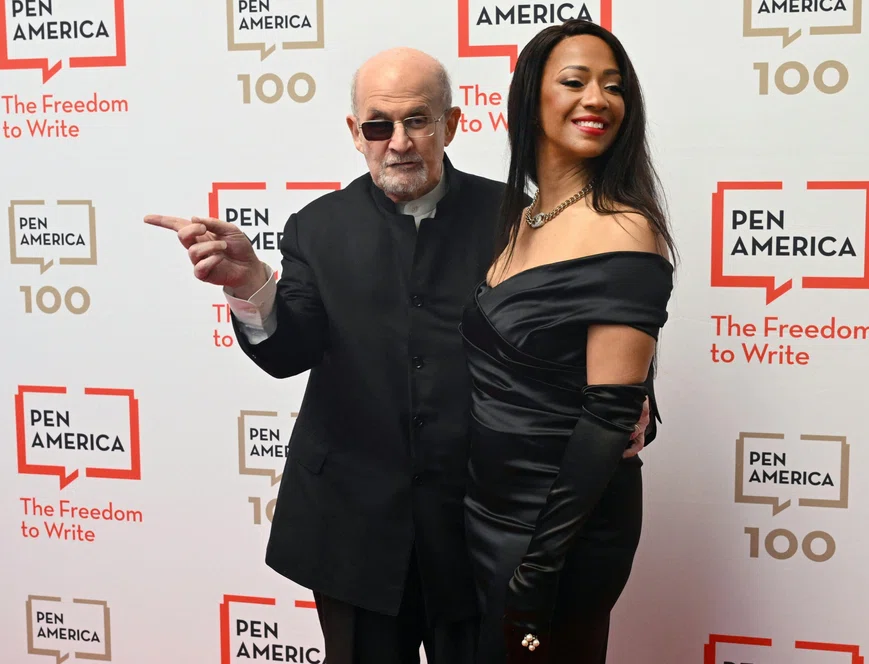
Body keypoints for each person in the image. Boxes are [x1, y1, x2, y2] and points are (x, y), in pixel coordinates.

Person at [144, 45, 653, 664]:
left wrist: (640, 400)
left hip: (478, 528)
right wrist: (251, 284)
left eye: (419, 121)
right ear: (356, 133)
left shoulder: (517, 218)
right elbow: (288, 350)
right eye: (380, 125)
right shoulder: (316, 227)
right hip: (353, 530)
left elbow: (595, 320)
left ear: (453, 124)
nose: (401, 142)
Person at [458, 20, 677, 663]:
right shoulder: (521, 219)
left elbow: (612, 408)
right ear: (531, 99)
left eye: (614, 87)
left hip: (560, 529)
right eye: (574, 81)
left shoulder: (626, 226)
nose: (597, 99)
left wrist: (539, 568)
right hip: (488, 511)